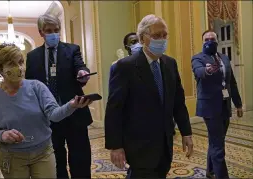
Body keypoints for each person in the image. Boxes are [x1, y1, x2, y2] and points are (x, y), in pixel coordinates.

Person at [105, 14, 194, 178]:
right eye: (156, 36)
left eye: (164, 35)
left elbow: (178, 103)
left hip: (165, 144)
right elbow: (114, 109)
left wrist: (186, 133)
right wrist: (115, 146)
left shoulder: (170, 64)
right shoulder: (125, 67)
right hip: (138, 146)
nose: (162, 40)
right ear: (142, 38)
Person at [0, 43, 92, 178]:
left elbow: (54, 115)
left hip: (43, 153)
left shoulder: (37, 87)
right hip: (13, 158)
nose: (19, 68)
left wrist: (72, 105)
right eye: (12, 64)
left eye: (21, 62)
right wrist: (2, 135)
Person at [25, 14, 92, 178]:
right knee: (55, 161)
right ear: (41, 32)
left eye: (56, 30)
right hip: (48, 118)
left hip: (74, 112)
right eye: (49, 31)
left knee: (80, 158)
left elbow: (80, 66)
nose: (53, 34)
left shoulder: (72, 49)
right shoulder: (32, 57)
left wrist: (83, 73)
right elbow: (29, 85)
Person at [191, 30, 243, 179]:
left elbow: (231, 82)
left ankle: (210, 170)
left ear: (217, 41)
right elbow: (199, 72)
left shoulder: (224, 58)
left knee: (217, 140)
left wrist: (238, 104)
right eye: (206, 39)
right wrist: (207, 70)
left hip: (225, 105)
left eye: (212, 39)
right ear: (202, 41)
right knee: (218, 145)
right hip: (209, 107)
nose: (209, 41)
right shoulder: (198, 58)